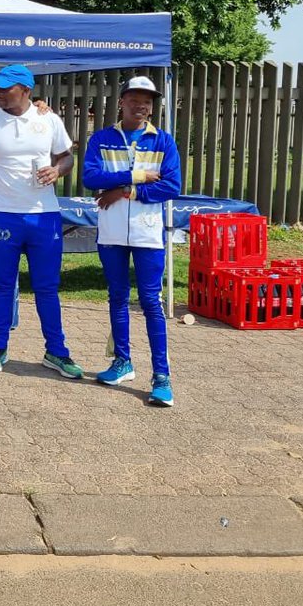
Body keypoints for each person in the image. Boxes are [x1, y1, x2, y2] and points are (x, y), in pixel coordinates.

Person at [0, 64, 82, 378]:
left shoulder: (48, 120)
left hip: (43, 216)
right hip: (1, 214)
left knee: (47, 287)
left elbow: (67, 156)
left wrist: (58, 171)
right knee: (3, 285)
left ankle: (56, 351)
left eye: (6, 88)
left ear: (27, 91)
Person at [82, 75, 182, 407]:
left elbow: (171, 186)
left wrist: (127, 191)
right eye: (136, 99)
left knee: (151, 302)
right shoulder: (101, 138)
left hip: (148, 233)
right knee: (117, 296)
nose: (142, 106)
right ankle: (122, 362)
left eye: (148, 101)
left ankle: (162, 377)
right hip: (111, 232)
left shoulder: (164, 141)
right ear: (122, 100)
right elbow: (90, 178)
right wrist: (137, 175)